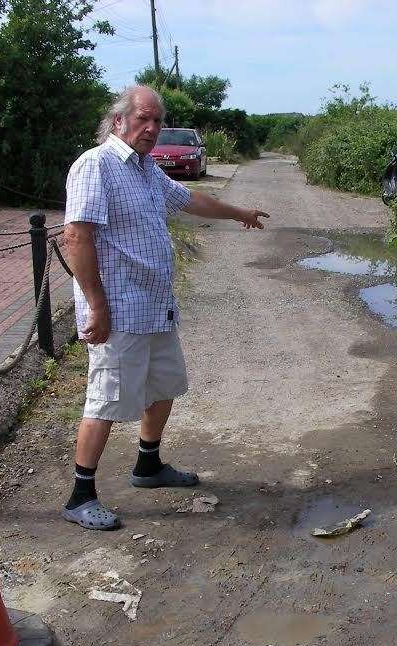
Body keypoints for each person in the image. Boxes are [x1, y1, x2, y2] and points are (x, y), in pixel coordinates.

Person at [61, 85, 268, 530]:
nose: (151, 128)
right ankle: (80, 496)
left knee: (164, 385)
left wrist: (239, 213)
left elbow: (191, 199)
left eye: (157, 120)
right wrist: (96, 306)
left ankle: (148, 467)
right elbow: (76, 237)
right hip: (118, 311)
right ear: (118, 121)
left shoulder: (145, 171)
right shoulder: (95, 167)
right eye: (142, 118)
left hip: (155, 307)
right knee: (106, 399)